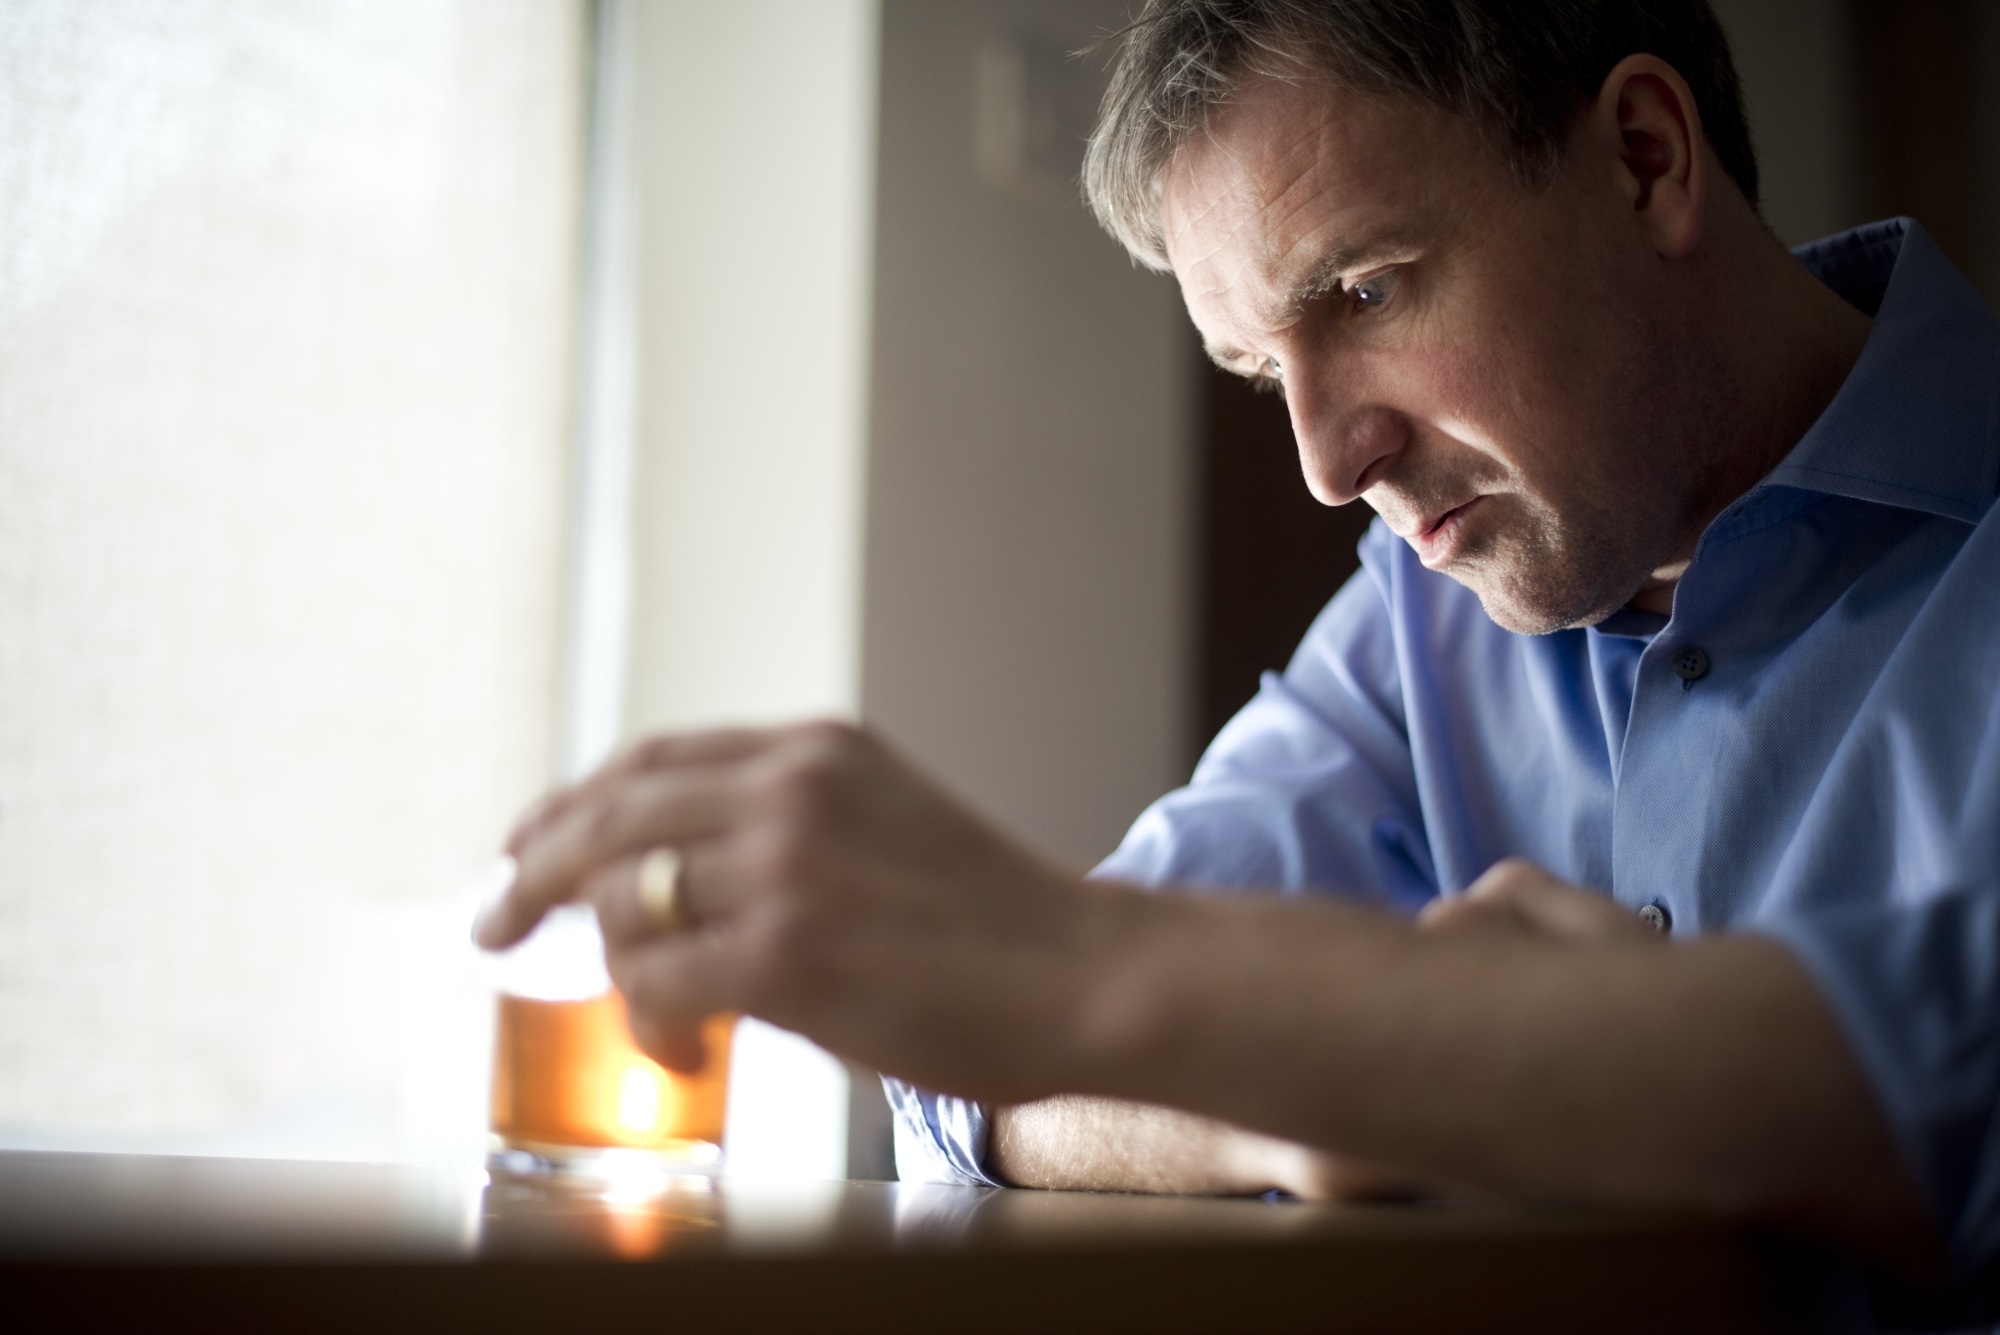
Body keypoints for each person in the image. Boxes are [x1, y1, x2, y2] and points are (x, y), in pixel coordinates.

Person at [475, 0, 2000, 1308]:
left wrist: (1282, 1028)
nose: (1329, 464)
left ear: (1645, 159)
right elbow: (983, 1079)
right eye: (1264, 368)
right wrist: (1315, 1098)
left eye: (1367, 291)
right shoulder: (1421, 626)